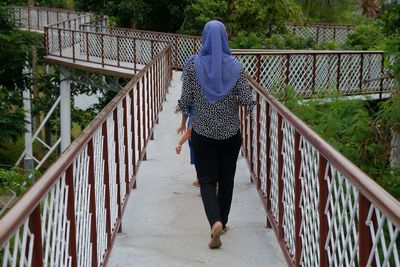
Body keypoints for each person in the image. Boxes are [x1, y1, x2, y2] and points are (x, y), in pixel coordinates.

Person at [178, 20, 254, 249]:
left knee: (208, 182)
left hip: (202, 133)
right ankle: (225, 220)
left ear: (204, 38)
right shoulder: (237, 67)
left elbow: (186, 100)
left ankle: (215, 222)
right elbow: (248, 102)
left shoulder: (193, 66)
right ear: (224, 38)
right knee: (226, 180)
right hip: (230, 134)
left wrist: (185, 116)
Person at [177, 106, 200, 187]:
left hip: (194, 127)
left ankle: (200, 178)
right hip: (214, 124)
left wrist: (183, 124)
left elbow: (185, 107)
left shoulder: (191, 94)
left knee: (196, 153)